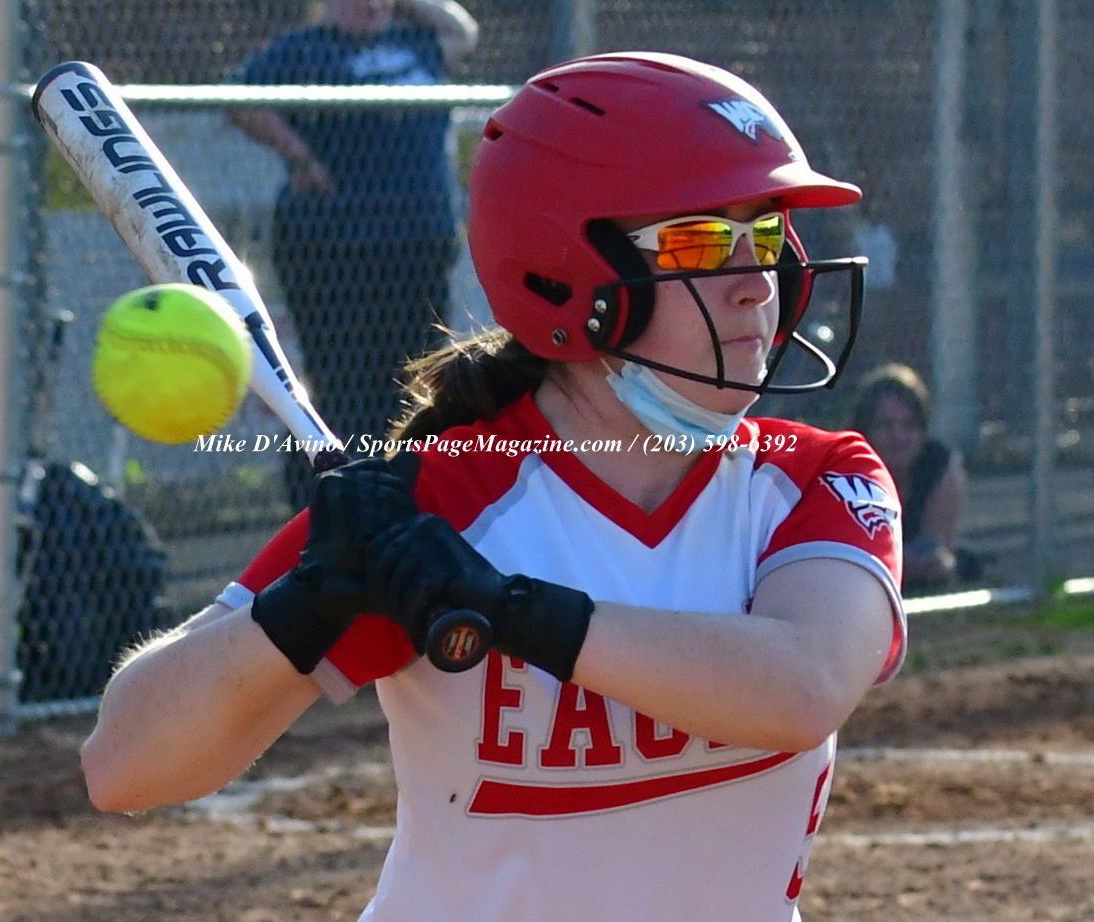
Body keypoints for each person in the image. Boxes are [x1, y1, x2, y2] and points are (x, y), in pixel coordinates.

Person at [83, 53, 906, 922]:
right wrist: (307, 602)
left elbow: (804, 684)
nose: (755, 287)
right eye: (699, 242)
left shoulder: (813, 480)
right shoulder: (439, 504)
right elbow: (124, 767)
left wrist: (506, 608)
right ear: (564, 271)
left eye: (766, 237)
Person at [227, 0, 479, 506]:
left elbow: (463, 31)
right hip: (332, 247)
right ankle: (327, 500)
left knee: (418, 378)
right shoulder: (303, 50)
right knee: (343, 385)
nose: (372, 5)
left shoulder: (414, 43)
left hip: (416, 244)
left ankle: (409, 496)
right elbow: (240, 100)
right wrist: (300, 156)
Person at [850, 362, 975, 594]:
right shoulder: (846, 469)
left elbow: (937, 552)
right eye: (885, 425)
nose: (898, 436)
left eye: (909, 426)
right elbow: (851, 556)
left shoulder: (939, 464)